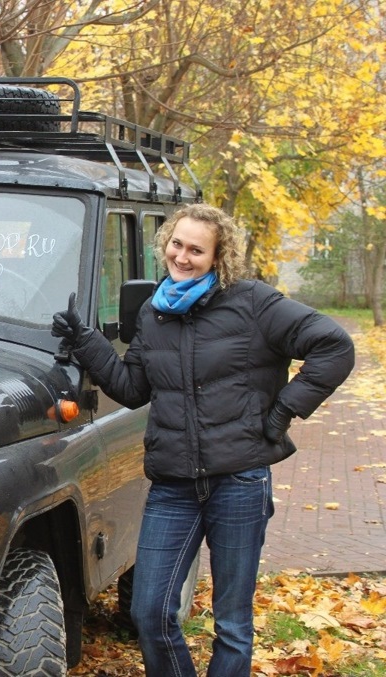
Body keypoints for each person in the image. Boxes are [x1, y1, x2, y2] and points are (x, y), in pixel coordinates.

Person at [51, 203, 355, 676]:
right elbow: (133, 389)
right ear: (165, 243)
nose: (183, 256)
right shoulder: (155, 313)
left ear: (218, 256)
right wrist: (86, 341)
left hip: (239, 482)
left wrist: (280, 413)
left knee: (232, 622)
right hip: (173, 486)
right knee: (149, 613)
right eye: (177, 243)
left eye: (197, 249)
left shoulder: (255, 303)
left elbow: (334, 346)